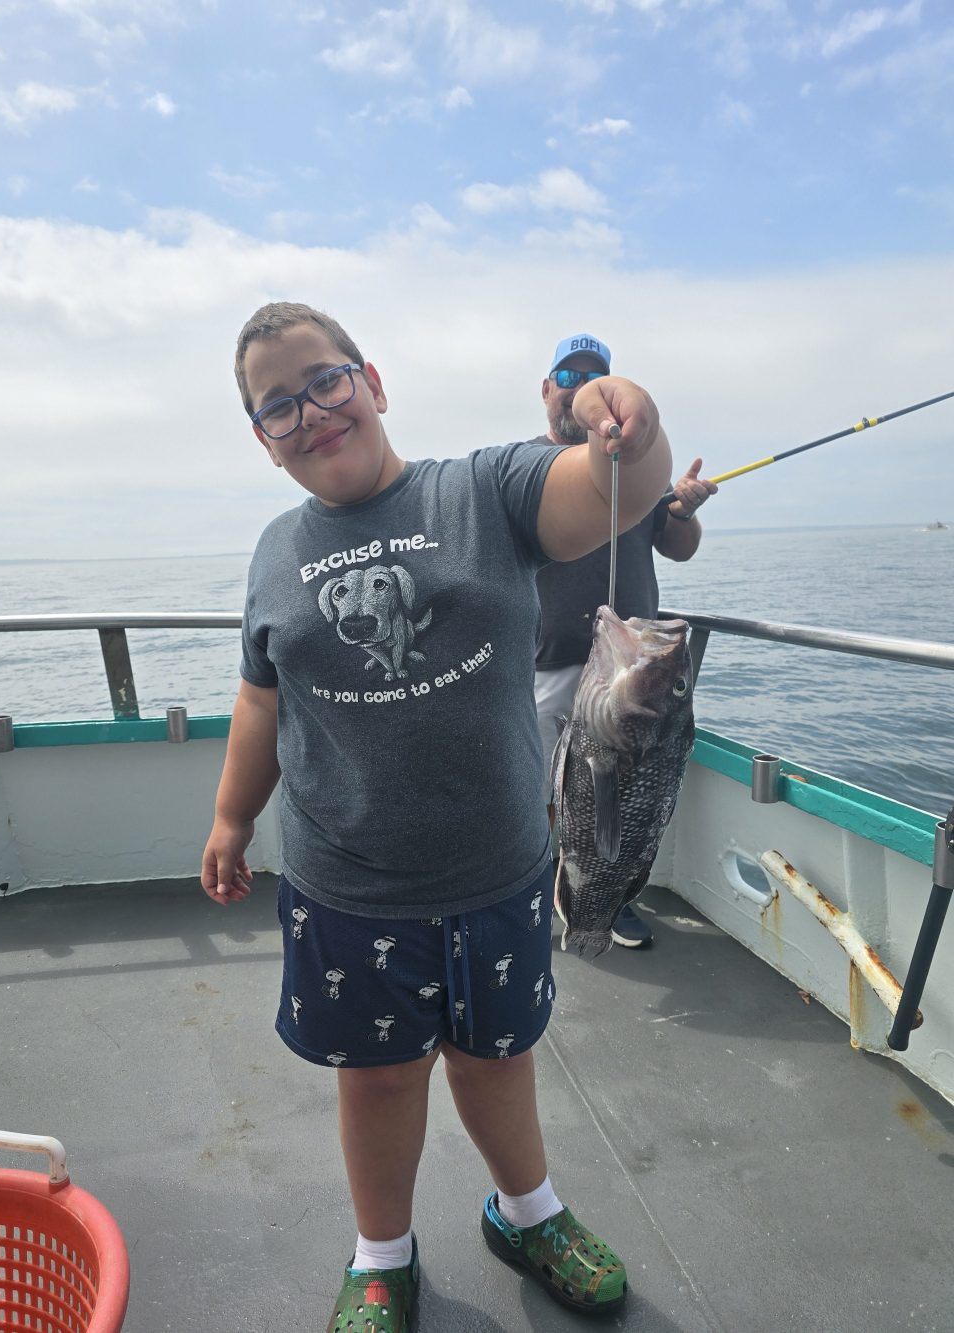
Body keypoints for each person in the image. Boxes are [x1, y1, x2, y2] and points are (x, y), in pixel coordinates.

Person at [200, 302, 673, 1332]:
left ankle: (527, 1210)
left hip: (498, 868)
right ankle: (382, 1252)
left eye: (325, 382)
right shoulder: (275, 551)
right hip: (347, 884)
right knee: (373, 1079)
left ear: (371, 380)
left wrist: (624, 420)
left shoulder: (478, 490)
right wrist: (233, 819)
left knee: (497, 1057)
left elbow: (619, 489)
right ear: (261, 439)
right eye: (277, 405)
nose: (311, 413)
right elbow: (259, 696)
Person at [532, 333, 717, 948]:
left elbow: (678, 547)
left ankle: (606, 897)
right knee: (544, 785)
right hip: (546, 661)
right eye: (568, 375)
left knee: (628, 788)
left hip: (634, 667)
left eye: (594, 376)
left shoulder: (636, 472)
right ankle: (540, 889)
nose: (579, 388)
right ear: (547, 389)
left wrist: (682, 510)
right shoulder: (528, 467)